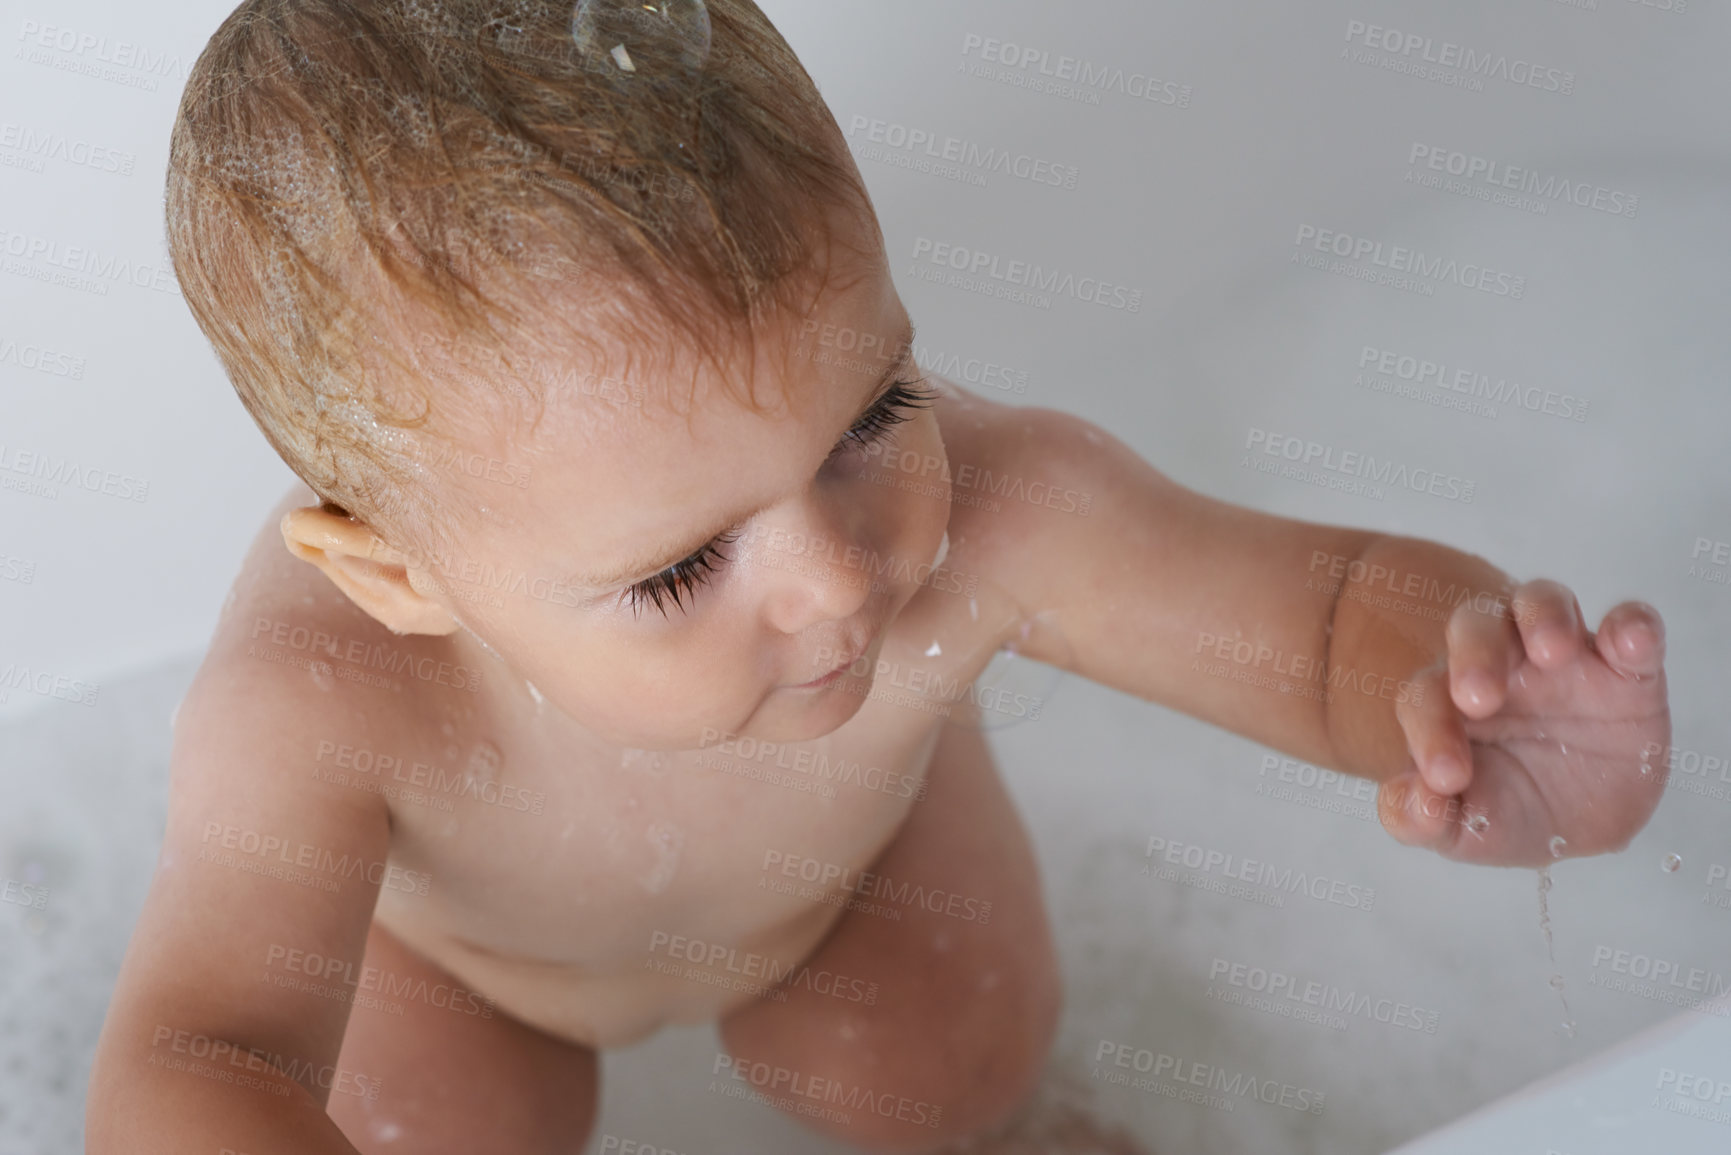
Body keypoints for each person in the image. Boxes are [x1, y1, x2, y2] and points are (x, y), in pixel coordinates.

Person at [84, 2, 1671, 1151]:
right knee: (429, 1128)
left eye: (872, 414)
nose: (841, 585)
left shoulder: (989, 513)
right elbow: (206, 1041)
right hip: (473, 978)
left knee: (938, 1063)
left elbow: (1313, 617)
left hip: (849, 889)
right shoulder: (326, 699)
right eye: (684, 565)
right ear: (399, 575)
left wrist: (1456, 701)